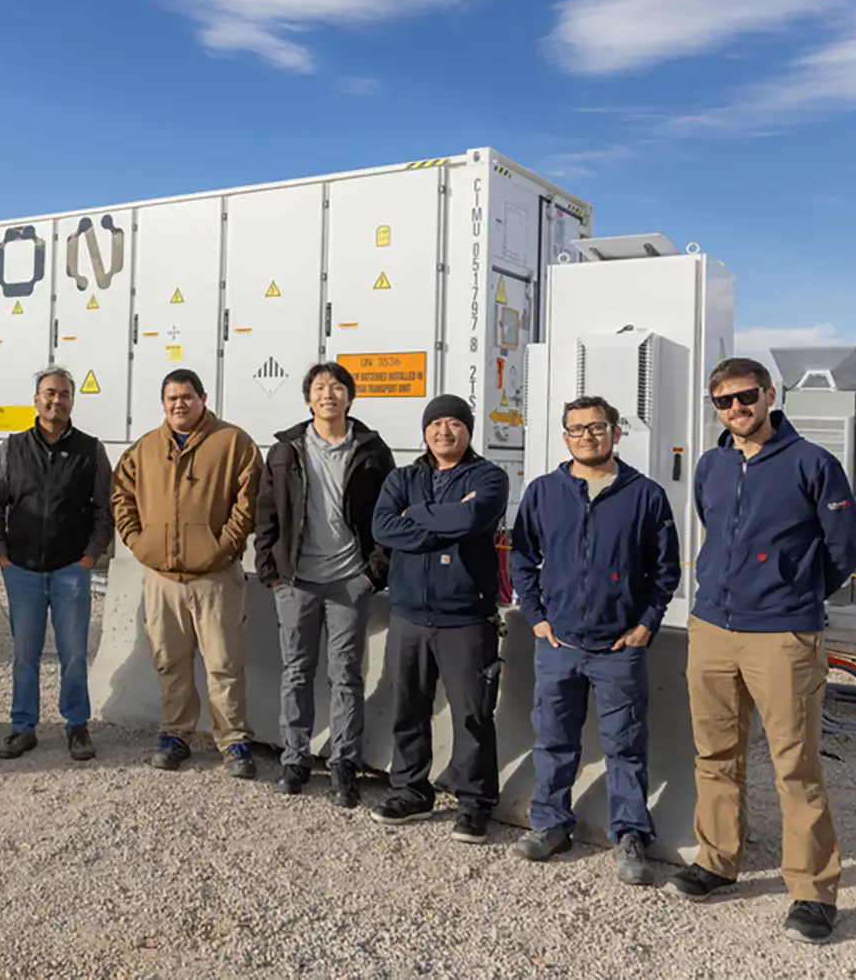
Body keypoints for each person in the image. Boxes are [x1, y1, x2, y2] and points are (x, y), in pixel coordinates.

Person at [668, 357, 856, 945]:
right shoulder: (711, 464)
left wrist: (794, 592)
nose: (736, 409)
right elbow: (711, 525)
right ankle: (717, 859)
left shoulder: (812, 463)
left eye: (746, 397)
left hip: (782, 634)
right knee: (715, 753)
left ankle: (812, 891)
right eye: (724, 402)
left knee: (795, 766)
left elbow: (846, 549)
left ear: (769, 394)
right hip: (712, 628)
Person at [507, 395, 682, 884]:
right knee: (554, 740)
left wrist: (646, 623)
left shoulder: (644, 495)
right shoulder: (544, 492)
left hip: (618, 649)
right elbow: (521, 559)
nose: (587, 435)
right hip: (558, 645)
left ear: (615, 433)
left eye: (597, 427)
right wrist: (537, 617)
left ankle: (628, 835)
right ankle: (551, 824)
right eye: (577, 429)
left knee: (625, 745)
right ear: (565, 437)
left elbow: (665, 570)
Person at [368, 395, 509, 842]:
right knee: (408, 707)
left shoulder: (489, 477)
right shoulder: (402, 477)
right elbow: (382, 528)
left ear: (468, 431)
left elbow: (471, 519)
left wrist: (416, 517)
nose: (444, 431)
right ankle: (411, 789)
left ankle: (474, 802)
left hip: (466, 616)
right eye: (436, 424)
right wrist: (439, 521)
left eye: (454, 424)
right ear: (424, 431)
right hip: (409, 613)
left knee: (472, 713)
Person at [111, 369, 263, 777]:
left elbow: (247, 504)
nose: (179, 403)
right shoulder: (143, 450)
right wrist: (140, 544)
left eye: (187, 396)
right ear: (163, 403)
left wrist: (222, 548)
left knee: (224, 661)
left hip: (216, 578)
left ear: (203, 398)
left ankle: (233, 742)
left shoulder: (234, 444)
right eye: (172, 397)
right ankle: (176, 733)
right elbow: (121, 497)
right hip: (163, 578)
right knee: (169, 661)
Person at [255, 362, 394, 807]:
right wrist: (270, 571)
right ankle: (295, 758)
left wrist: (373, 573)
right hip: (296, 581)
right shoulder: (286, 449)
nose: (328, 394)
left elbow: (389, 515)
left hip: (349, 581)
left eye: (337, 387)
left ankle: (343, 763)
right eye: (319, 387)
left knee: (346, 675)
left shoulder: (372, 450)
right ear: (308, 399)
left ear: (350, 398)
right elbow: (266, 514)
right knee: (296, 671)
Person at [0, 366, 112, 762]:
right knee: (25, 654)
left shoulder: (90, 450)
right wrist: (1, 556)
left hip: (72, 568)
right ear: (36, 399)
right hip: (21, 570)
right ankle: (23, 727)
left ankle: (77, 726)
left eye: (65, 394)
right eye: (50, 393)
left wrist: (90, 556)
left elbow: (104, 510)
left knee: (73, 653)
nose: (57, 400)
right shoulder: (12, 448)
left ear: (73, 400)